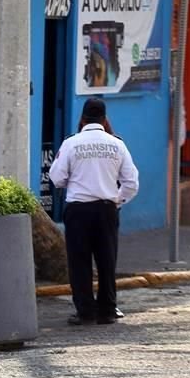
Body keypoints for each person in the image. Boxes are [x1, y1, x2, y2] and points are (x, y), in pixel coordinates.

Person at [49, 97, 139, 326]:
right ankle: (108, 309)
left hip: (78, 210)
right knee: (107, 260)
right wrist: (117, 201)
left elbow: (57, 178)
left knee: (79, 262)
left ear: (82, 118)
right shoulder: (117, 144)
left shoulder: (71, 143)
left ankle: (85, 311)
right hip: (106, 210)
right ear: (105, 119)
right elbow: (131, 182)